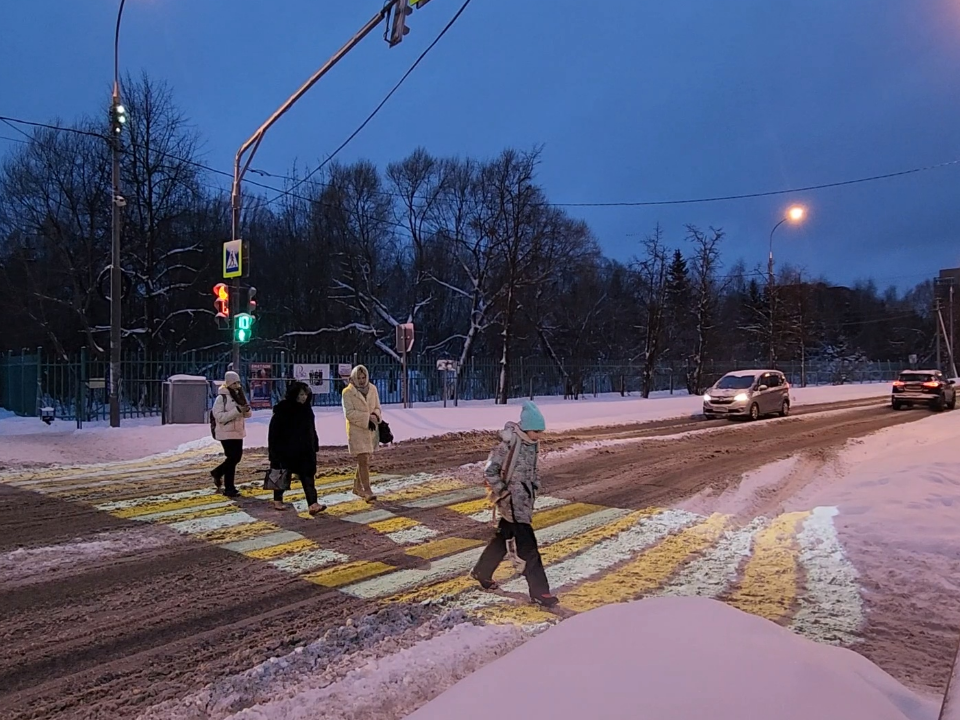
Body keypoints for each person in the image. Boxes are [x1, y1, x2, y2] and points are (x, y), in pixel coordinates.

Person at [470, 400, 558, 608]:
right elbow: (490, 471)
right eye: (537, 431)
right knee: (528, 548)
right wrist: (503, 492)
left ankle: (482, 571)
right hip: (511, 502)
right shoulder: (508, 444)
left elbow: (532, 471)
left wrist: (535, 485)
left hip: (523, 502)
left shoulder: (531, 445)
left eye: (541, 431)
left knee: (503, 538)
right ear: (527, 428)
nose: (539, 435)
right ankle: (540, 592)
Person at [268, 381, 326, 515]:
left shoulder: (307, 410)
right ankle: (277, 500)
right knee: (282, 474)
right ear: (294, 395)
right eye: (301, 394)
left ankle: (313, 504)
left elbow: (311, 428)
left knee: (308, 477)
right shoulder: (283, 410)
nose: (304, 397)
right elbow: (274, 432)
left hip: (305, 450)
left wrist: (314, 443)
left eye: (306, 394)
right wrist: (274, 452)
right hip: (286, 450)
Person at [341, 364, 381, 502]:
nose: (362, 380)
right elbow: (349, 413)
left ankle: (357, 486)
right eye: (359, 377)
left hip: (370, 429)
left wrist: (376, 416)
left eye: (364, 377)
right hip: (356, 430)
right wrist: (366, 418)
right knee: (363, 459)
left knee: (364, 459)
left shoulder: (373, 389)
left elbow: (377, 407)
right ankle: (367, 490)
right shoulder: (347, 392)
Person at [210, 371, 251, 498]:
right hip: (226, 433)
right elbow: (219, 417)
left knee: (235, 458)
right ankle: (229, 487)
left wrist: (246, 410)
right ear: (228, 384)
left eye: (238, 382)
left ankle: (218, 473)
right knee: (232, 458)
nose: (237, 385)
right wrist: (237, 410)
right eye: (234, 383)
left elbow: (247, 415)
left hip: (238, 432)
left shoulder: (240, 396)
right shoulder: (221, 398)